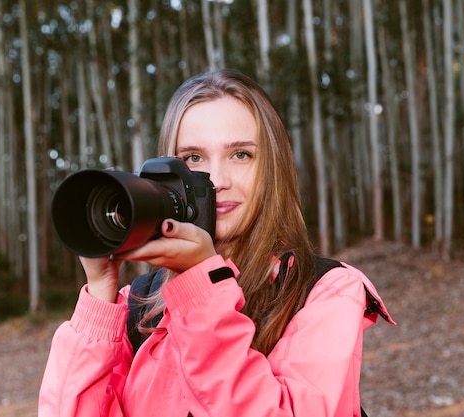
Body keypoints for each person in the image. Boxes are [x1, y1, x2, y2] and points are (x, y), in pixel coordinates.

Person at [39, 69, 394, 417]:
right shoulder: (139, 305)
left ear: (272, 168)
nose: (217, 180)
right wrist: (100, 291)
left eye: (241, 154)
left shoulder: (323, 291)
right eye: (193, 158)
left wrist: (199, 285)